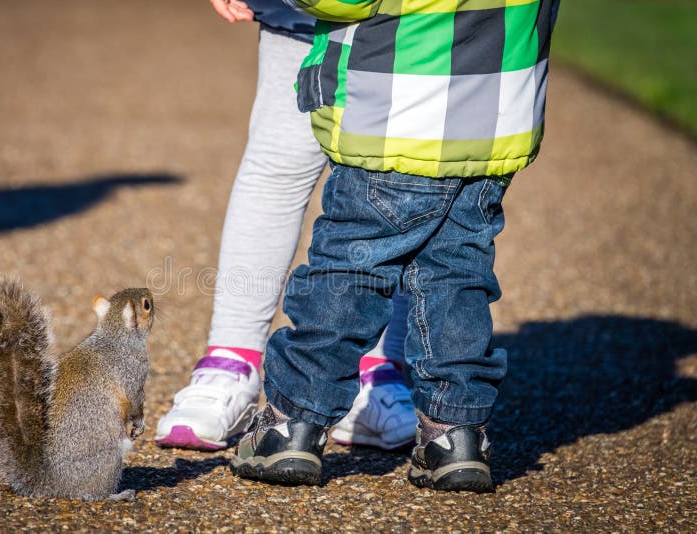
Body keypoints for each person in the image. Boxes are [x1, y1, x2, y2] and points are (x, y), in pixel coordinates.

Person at [229, 0, 559, 492]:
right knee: (459, 276)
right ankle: (456, 435)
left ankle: (292, 426)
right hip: (493, 122)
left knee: (348, 272)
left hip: (393, 116)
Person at [154, 0, 417, 452]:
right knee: (277, 165)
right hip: (303, 11)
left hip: (420, 24)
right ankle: (232, 364)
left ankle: (377, 371)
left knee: (406, 180)